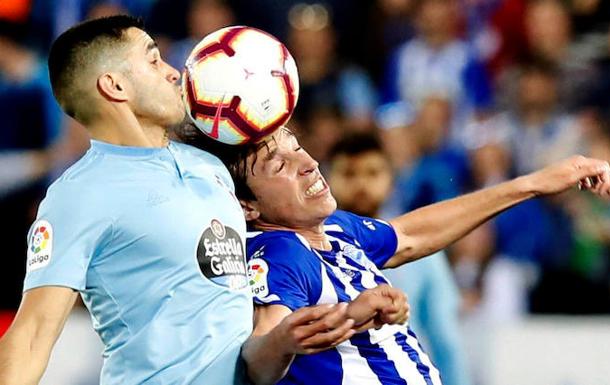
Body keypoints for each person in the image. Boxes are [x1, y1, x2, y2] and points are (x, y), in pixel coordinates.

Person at [0, 15, 401, 385]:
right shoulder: (78, 195)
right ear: (114, 86)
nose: (174, 72)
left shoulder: (209, 163)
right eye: (154, 61)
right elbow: (33, 333)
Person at [196, 125, 610, 385]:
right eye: (277, 165)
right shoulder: (278, 251)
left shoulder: (338, 228)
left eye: (297, 146)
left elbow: (409, 234)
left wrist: (534, 184)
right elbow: (259, 357)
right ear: (247, 207)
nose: (307, 163)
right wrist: (340, 319)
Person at [327, 132, 472, 385]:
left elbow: (446, 339)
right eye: (349, 174)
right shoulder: (305, 246)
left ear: (391, 180)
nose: (361, 184)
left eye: (372, 173)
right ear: (327, 180)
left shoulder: (421, 252)